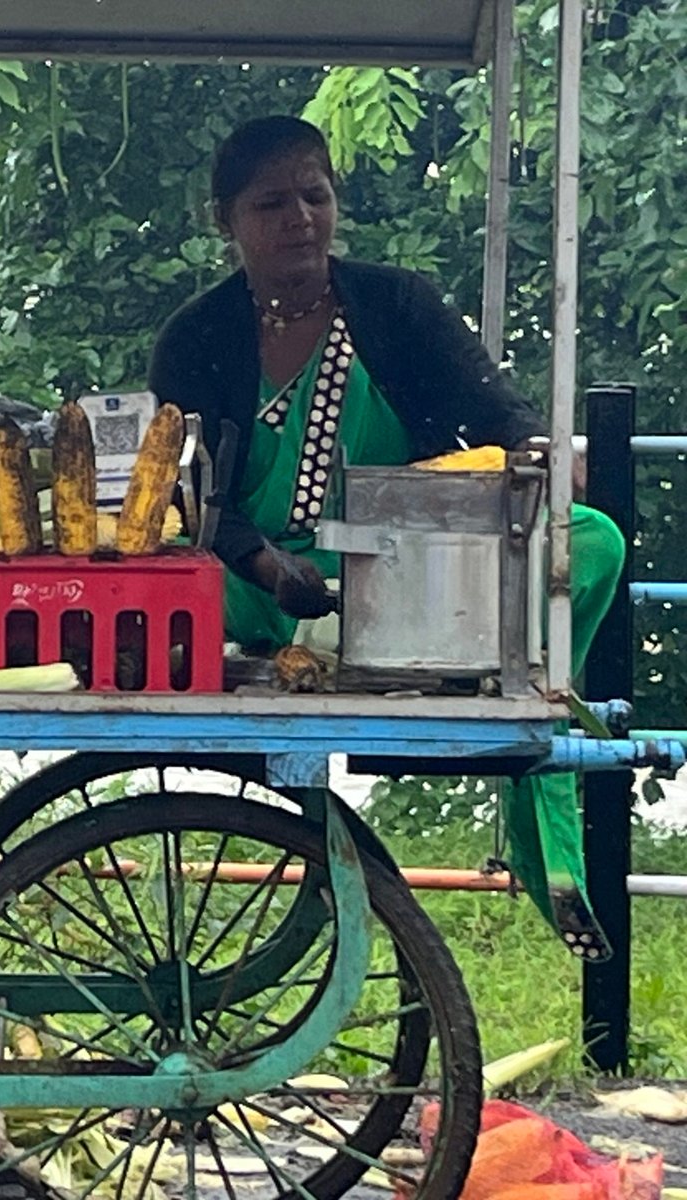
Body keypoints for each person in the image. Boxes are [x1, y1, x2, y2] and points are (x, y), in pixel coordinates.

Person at [148, 115, 626, 958]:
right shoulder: (194, 336)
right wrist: (263, 561)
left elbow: (494, 407)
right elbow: (188, 499)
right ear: (223, 220)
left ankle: (527, 775)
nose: (299, 217)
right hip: (250, 585)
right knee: (163, 570)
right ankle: (317, 649)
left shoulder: (395, 303)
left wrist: (536, 452)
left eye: (315, 195)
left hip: (395, 570)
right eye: (271, 203)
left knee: (588, 541)